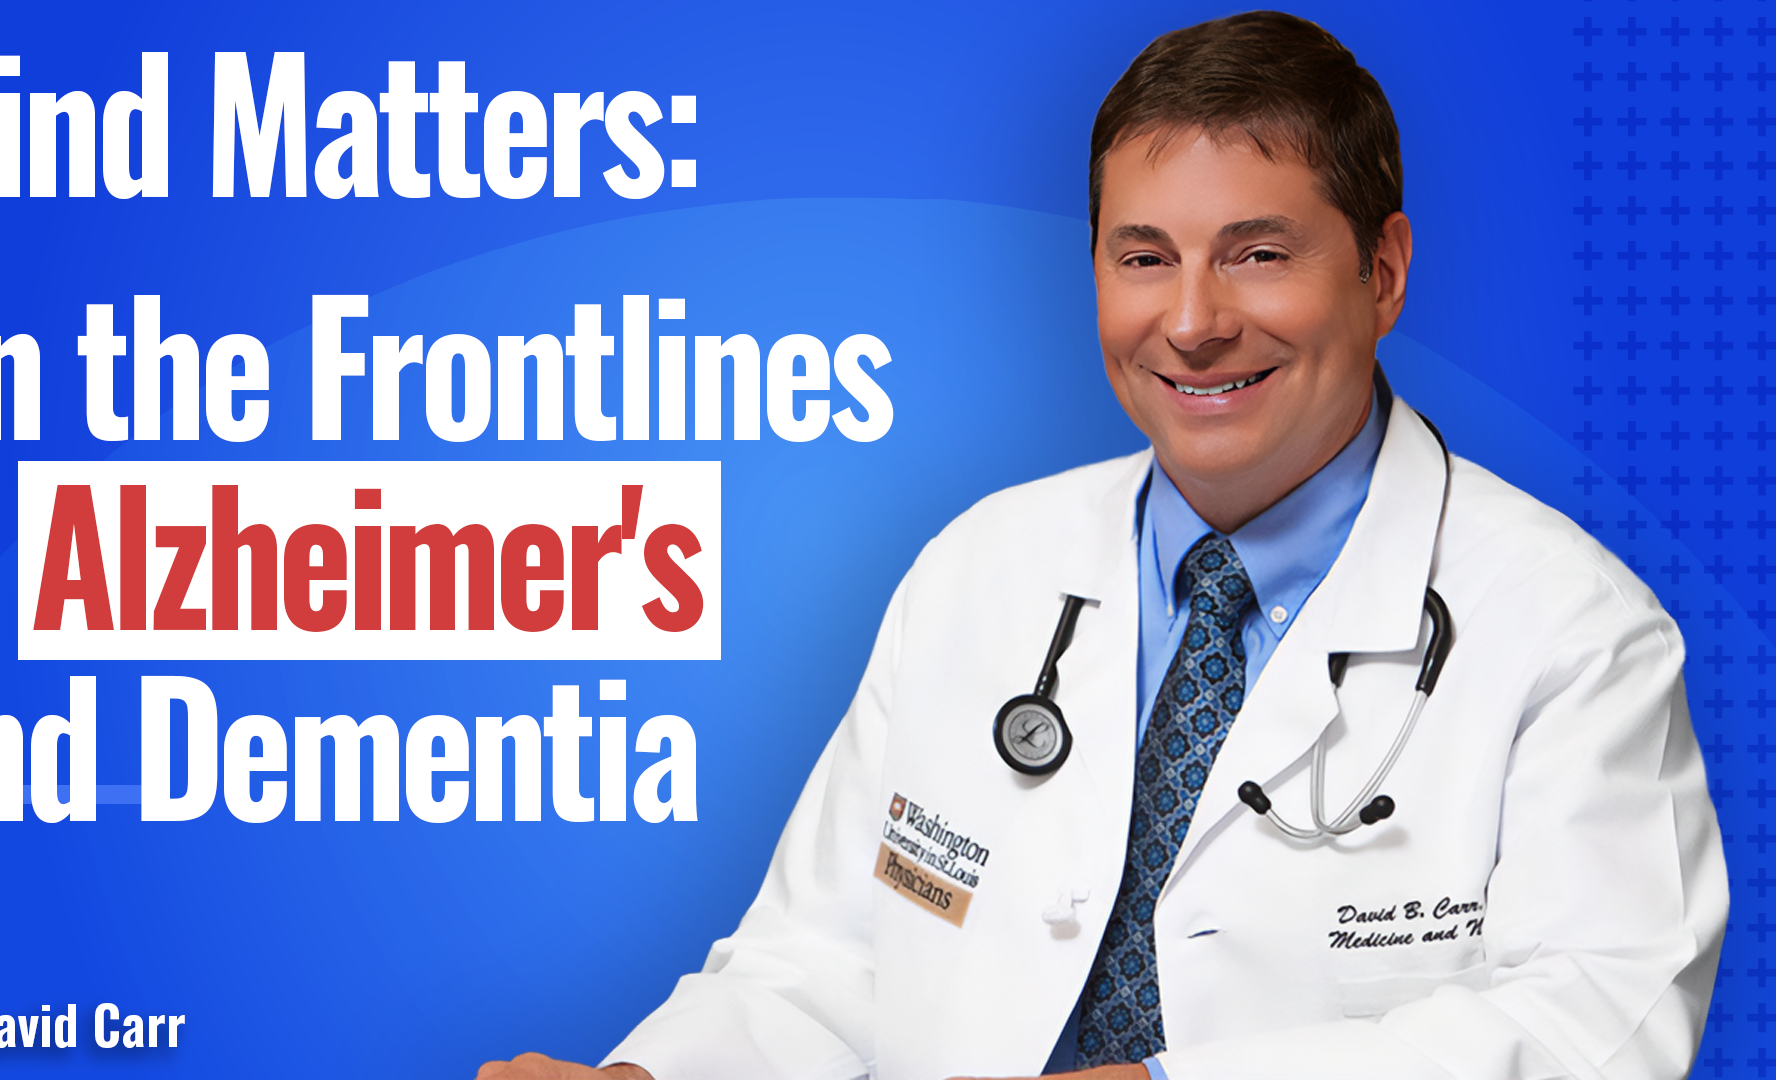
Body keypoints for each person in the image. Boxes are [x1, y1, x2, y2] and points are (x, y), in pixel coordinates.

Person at [478, 11, 1726, 1079]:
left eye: (1260, 255)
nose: (1191, 322)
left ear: (1384, 274)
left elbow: (1596, 1024)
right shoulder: (982, 567)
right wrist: (655, 1072)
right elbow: (835, 955)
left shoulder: (1571, 631)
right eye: (1145, 258)